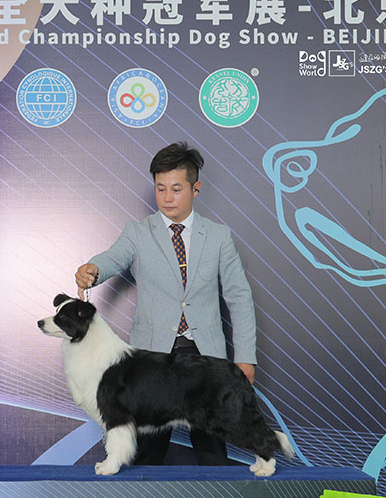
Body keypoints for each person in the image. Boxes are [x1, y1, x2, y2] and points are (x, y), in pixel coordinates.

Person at [75, 141, 256, 465]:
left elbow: (239, 297)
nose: (167, 197)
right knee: (145, 452)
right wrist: (94, 269)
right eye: (160, 189)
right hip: (150, 361)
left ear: (195, 189)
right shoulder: (137, 233)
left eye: (176, 189)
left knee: (213, 451)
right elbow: (113, 258)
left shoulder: (219, 237)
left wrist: (245, 358)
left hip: (205, 358)